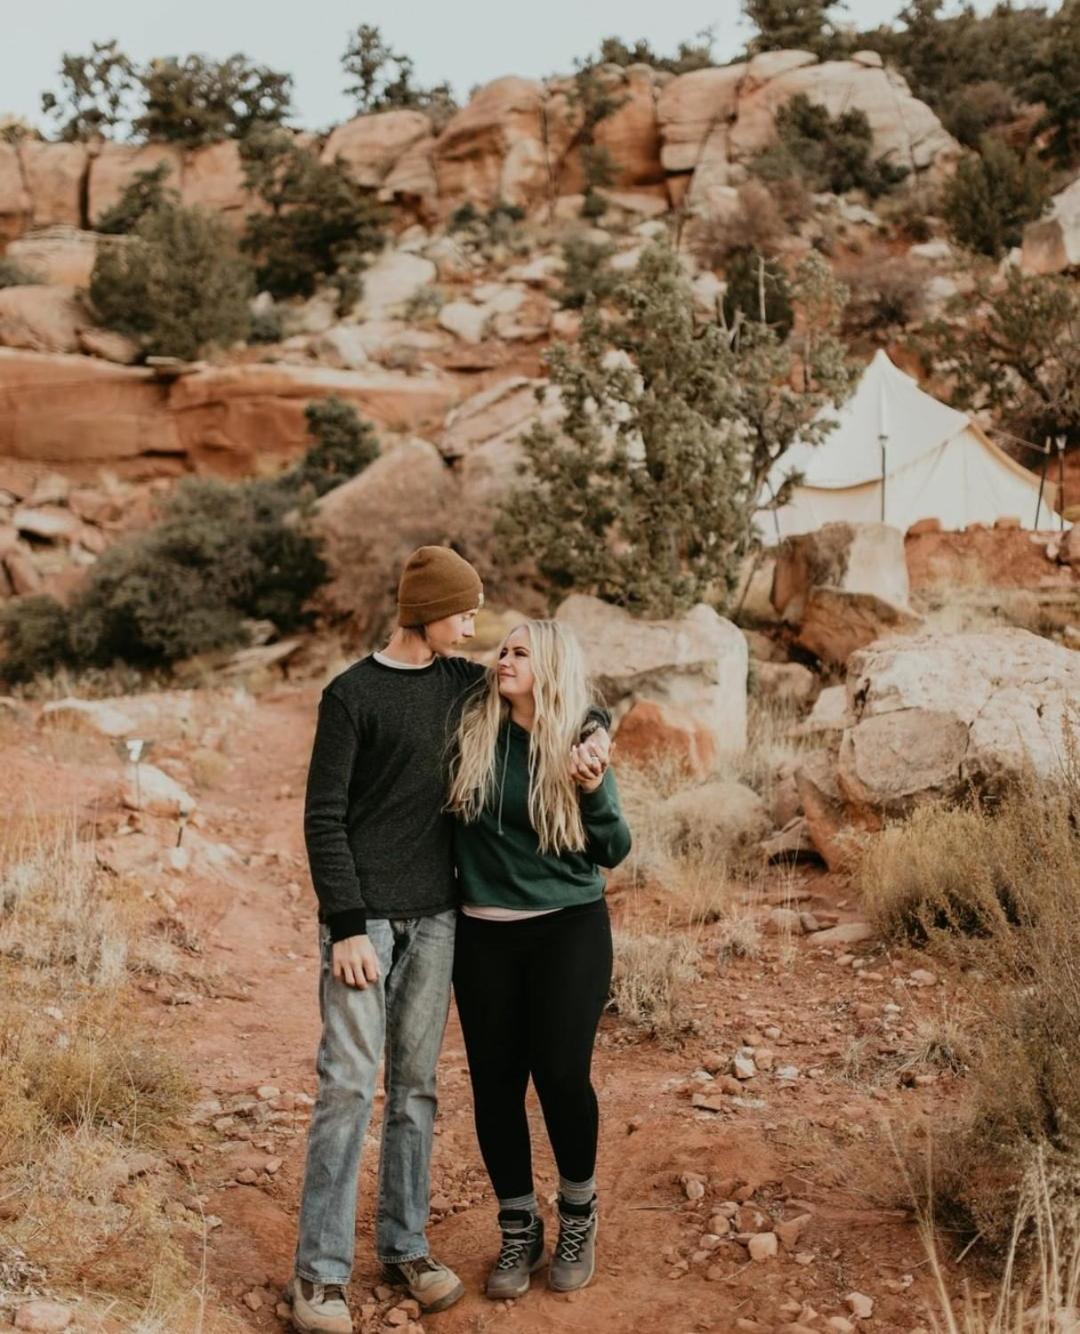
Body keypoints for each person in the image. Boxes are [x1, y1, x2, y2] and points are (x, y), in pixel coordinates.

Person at [287, 546, 486, 1334]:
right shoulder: (352, 695)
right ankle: (319, 1275)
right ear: (426, 611)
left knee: (416, 1090)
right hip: (364, 922)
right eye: (464, 612)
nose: (472, 626)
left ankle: (404, 1244)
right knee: (346, 1086)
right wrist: (345, 926)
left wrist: (596, 728)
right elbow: (323, 817)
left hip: (438, 917)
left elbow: (551, 687)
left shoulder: (465, 684)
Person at [447, 619, 632, 1301]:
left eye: (520, 652)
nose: (503, 659)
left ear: (549, 667)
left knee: (559, 1074)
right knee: (496, 1085)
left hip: (568, 930)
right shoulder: (473, 724)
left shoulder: (577, 747)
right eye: (502, 648)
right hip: (483, 934)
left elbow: (613, 850)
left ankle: (578, 1212)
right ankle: (518, 1225)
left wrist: (594, 786)